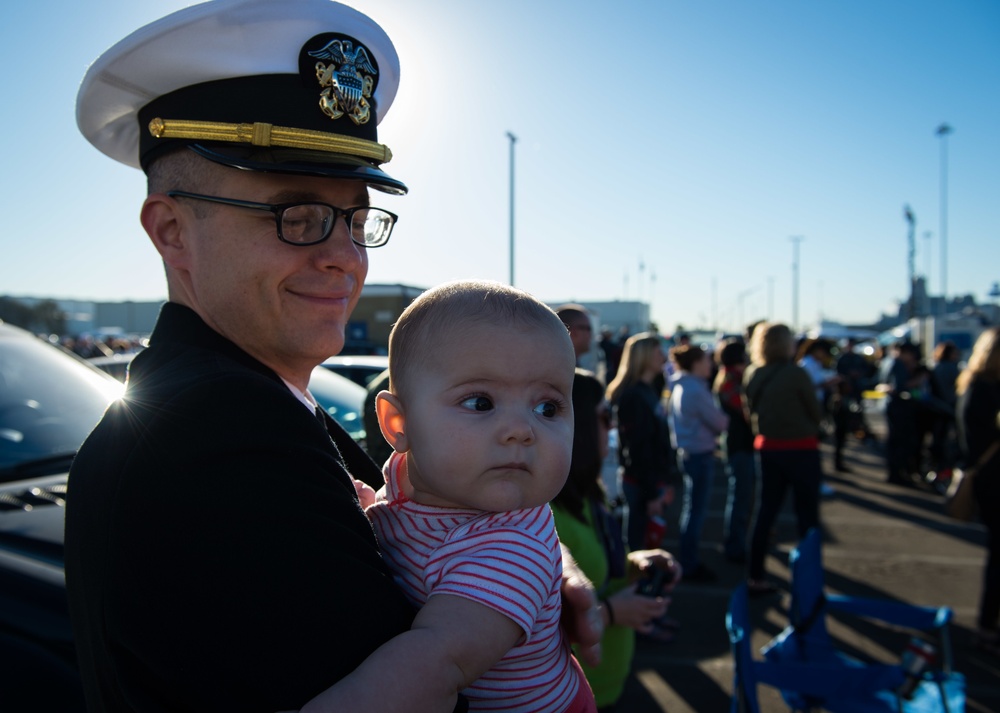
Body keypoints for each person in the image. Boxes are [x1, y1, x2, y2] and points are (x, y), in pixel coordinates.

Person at [63, 4, 599, 712]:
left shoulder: (255, 400)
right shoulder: (217, 436)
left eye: (354, 217)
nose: (346, 257)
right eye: (297, 213)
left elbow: (444, 523)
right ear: (172, 231)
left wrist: (534, 568)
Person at [356, 279, 595, 713]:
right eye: (481, 402)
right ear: (398, 424)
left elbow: (435, 664)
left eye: (548, 408)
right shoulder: (410, 480)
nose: (522, 429)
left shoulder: (509, 547)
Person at [551, 369, 681, 710]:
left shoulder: (585, 494)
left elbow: (598, 568)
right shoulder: (542, 516)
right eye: (605, 417)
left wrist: (636, 562)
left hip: (608, 681)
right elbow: (531, 632)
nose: (613, 428)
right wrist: (610, 613)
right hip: (573, 697)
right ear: (574, 426)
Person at [743, 322, 823, 596]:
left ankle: (755, 575)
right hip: (801, 448)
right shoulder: (795, 374)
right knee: (807, 516)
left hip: (768, 448)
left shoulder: (753, 373)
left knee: (765, 513)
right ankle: (810, 577)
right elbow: (815, 411)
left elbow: (749, 410)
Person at [606, 333, 676, 552]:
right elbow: (637, 449)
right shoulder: (634, 396)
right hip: (641, 484)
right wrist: (652, 492)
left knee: (645, 542)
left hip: (648, 481)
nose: (663, 356)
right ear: (645, 356)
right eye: (658, 351)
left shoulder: (648, 390)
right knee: (638, 547)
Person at [955, 327, 1000, 656]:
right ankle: (986, 627)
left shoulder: (972, 385)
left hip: (987, 480)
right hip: (994, 481)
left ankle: (986, 626)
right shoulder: (987, 392)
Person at [668, 344, 729, 582]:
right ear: (695, 364)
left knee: (692, 508)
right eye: (706, 360)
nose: (710, 365)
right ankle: (689, 562)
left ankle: (688, 559)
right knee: (696, 510)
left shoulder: (682, 385)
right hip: (699, 454)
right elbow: (719, 423)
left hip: (690, 452)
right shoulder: (695, 389)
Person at [712, 338, 756, 564]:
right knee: (740, 497)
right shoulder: (729, 380)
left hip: (741, 445)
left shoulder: (732, 377)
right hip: (739, 446)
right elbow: (747, 411)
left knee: (744, 497)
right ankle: (734, 545)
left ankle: (738, 541)